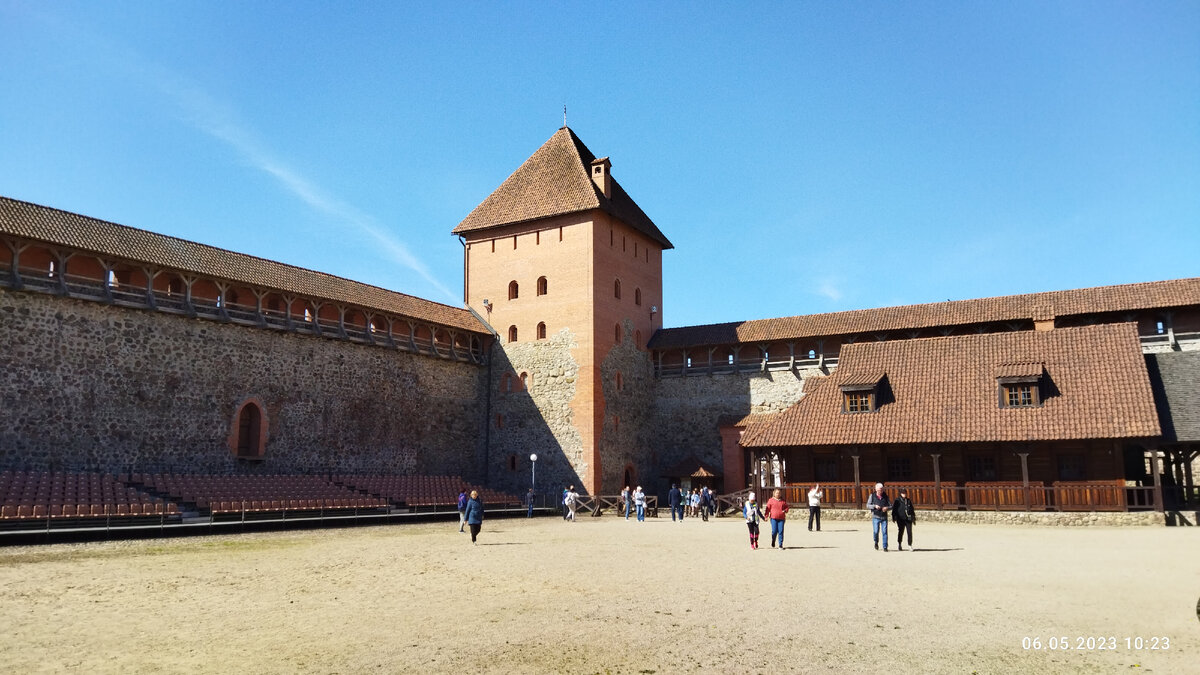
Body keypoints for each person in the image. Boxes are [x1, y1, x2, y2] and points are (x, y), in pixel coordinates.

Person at [867, 482, 890, 551]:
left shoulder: (886, 496)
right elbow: (868, 505)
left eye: (882, 490)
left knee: (884, 532)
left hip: (884, 517)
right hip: (876, 516)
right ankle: (876, 542)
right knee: (876, 531)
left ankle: (885, 546)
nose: (881, 491)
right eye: (880, 490)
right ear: (876, 490)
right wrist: (874, 506)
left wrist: (887, 508)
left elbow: (891, 505)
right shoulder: (872, 496)